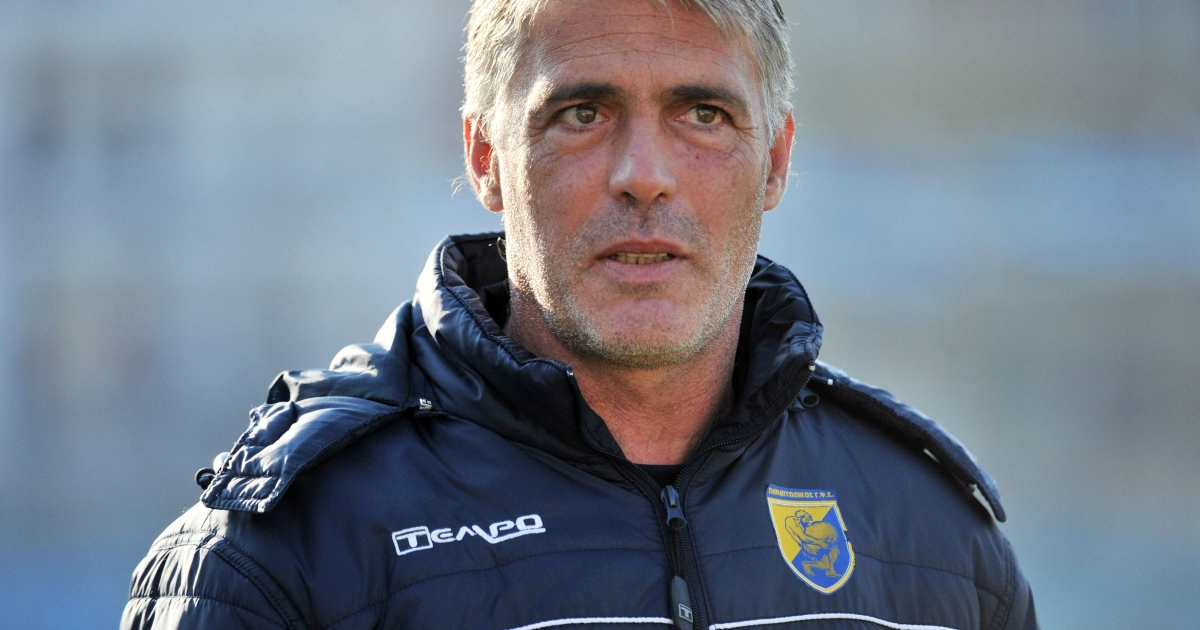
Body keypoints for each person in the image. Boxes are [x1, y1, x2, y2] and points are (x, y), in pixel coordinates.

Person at [122, 0, 1038, 628]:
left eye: (704, 114)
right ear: (486, 156)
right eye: (583, 113)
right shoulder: (286, 552)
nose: (645, 175)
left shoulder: (932, 538)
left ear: (775, 160)